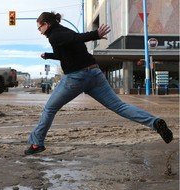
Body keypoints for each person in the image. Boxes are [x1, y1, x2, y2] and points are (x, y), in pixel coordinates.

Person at [24, 12, 173, 155]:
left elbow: (75, 38)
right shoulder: (62, 32)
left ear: (46, 24)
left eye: (39, 28)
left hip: (76, 78)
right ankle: (155, 122)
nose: (40, 32)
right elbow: (65, 51)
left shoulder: (54, 34)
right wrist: (48, 56)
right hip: (95, 74)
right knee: (120, 106)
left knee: (49, 109)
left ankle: (37, 143)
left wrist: (95, 35)